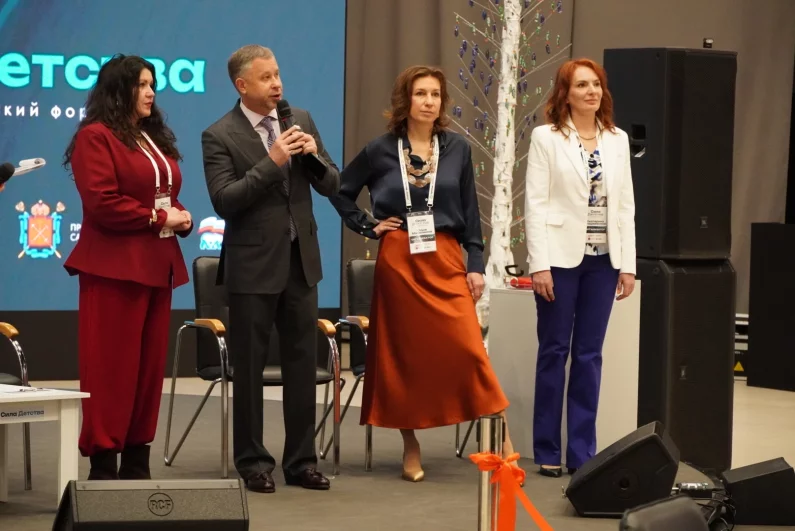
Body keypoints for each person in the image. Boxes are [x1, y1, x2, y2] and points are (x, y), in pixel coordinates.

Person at [330, 65, 516, 483]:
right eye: (420, 94)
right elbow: (341, 192)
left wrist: (475, 263)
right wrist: (368, 225)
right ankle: (410, 445)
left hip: (446, 258)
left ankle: (504, 441)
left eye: (435, 94)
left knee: (469, 349)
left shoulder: (457, 149)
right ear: (405, 100)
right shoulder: (380, 149)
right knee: (404, 358)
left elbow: (470, 211)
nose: (429, 102)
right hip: (399, 262)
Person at [201, 45, 340, 494]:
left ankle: (301, 461)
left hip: (301, 264)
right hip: (252, 267)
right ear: (242, 85)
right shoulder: (219, 134)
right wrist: (273, 160)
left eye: (277, 74)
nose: (276, 84)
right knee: (249, 369)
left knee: (302, 367)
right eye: (266, 77)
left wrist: (313, 157)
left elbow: (333, 184)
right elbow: (225, 200)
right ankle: (253, 462)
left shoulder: (300, 118)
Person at [62, 54, 193, 480]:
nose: (151, 92)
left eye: (153, 84)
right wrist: (161, 217)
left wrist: (179, 214)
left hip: (158, 266)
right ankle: (103, 463)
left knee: (148, 371)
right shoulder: (95, 137)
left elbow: (161, 191)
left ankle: (137, 461)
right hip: (114, 269)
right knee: (110, 369)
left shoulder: (149, 136)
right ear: (119, 91)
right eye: (141, 85)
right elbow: (103, 202)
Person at [524, 58, 637, 478]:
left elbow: (625, 206)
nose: (591, 92)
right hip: (559, 259)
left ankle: (582, 452)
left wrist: (627, 265)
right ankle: (547, 449)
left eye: (596, 85)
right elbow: (535, 204)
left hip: (603, 261)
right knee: (554, 351)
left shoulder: (617, 139)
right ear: (565, 94)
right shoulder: (547, 137)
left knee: (589, 355)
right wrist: (539, 265)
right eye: (581, 85)